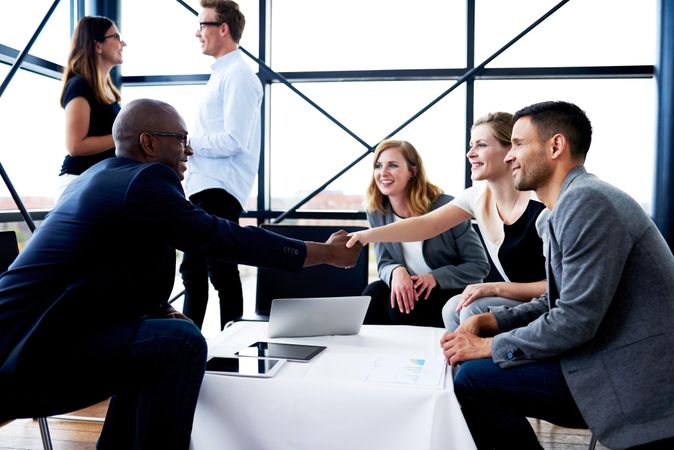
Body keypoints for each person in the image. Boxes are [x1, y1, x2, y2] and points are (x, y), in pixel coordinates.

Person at [0, 99, 362, 450]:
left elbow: (100, 270)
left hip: (24, 338)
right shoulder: (147, 179)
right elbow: (222, 237)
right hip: (30, 353)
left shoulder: (99, 177)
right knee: (180, 343)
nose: (189, 151)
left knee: (163, 339)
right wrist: (326, 253)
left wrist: (154, 309)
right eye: (182, 140)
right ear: (149, 142)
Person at [442, 101, 674, 450]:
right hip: (602, 354)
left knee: (474, 379)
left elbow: (576, 319)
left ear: (555, 146)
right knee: (473, 374)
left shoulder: (588, 203)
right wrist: (490, 322)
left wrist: (487, 346)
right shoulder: (561, 210)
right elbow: (557, 300)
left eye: (518, 144)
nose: (508, 157)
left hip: (628, 375)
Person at [347, 112, 547, 330]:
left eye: (480, 145)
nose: (470, 154)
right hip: (513, 297)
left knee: (462, 307)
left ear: (510, 151)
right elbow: (425, 226)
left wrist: (494, 288)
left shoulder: (543, 208)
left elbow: (563, 287)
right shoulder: (475, 197)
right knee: (384, 295)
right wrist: (365, 236)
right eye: (471, 145)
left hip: (547, 299)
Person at [180, 0, 262, 330]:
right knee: (195, 271)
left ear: (223, 29)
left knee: (219, 270)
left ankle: (230, 351)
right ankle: (189, 346)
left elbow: (233, 140)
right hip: (206, 187)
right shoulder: (223, 74)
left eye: (203, 25)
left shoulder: (238, 75)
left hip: (219, 189)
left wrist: (188, 145)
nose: (197, 32)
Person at [362, 139, 489, 327]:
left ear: (412, 172)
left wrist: (435, 278)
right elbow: (384, 263)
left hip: (448, 290)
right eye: (378, 166)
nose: (383, 173)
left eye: (393, 165)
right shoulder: (377, 212)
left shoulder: (446, 207)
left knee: (399, 307)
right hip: (410, 288)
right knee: (373, 293)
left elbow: (479, 266)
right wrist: (397, 271)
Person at [57, 15, 125, 197]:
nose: (123, 43)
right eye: (116, 37)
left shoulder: (108, 90)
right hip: (79, 182)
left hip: (97, 181)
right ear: (98, 46)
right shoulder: (80, 85)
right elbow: (74, 145)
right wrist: (125, 137)